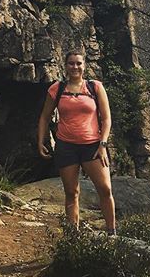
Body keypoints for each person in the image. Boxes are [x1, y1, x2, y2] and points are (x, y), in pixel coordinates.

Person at [37, 51, 116, 235]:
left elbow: (106, 119)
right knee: (72, 193)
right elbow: (44, 117)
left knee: (105, 189)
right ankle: (73, 236)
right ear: (65, 66)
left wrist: (103, 145)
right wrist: (40, 141)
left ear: (84, 66)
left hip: (93, 146)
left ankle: (112, 232)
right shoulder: (57, 89)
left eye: (78, 63)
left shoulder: (95, 87)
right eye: (71, 63)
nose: (75, 67)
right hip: (66, 147)